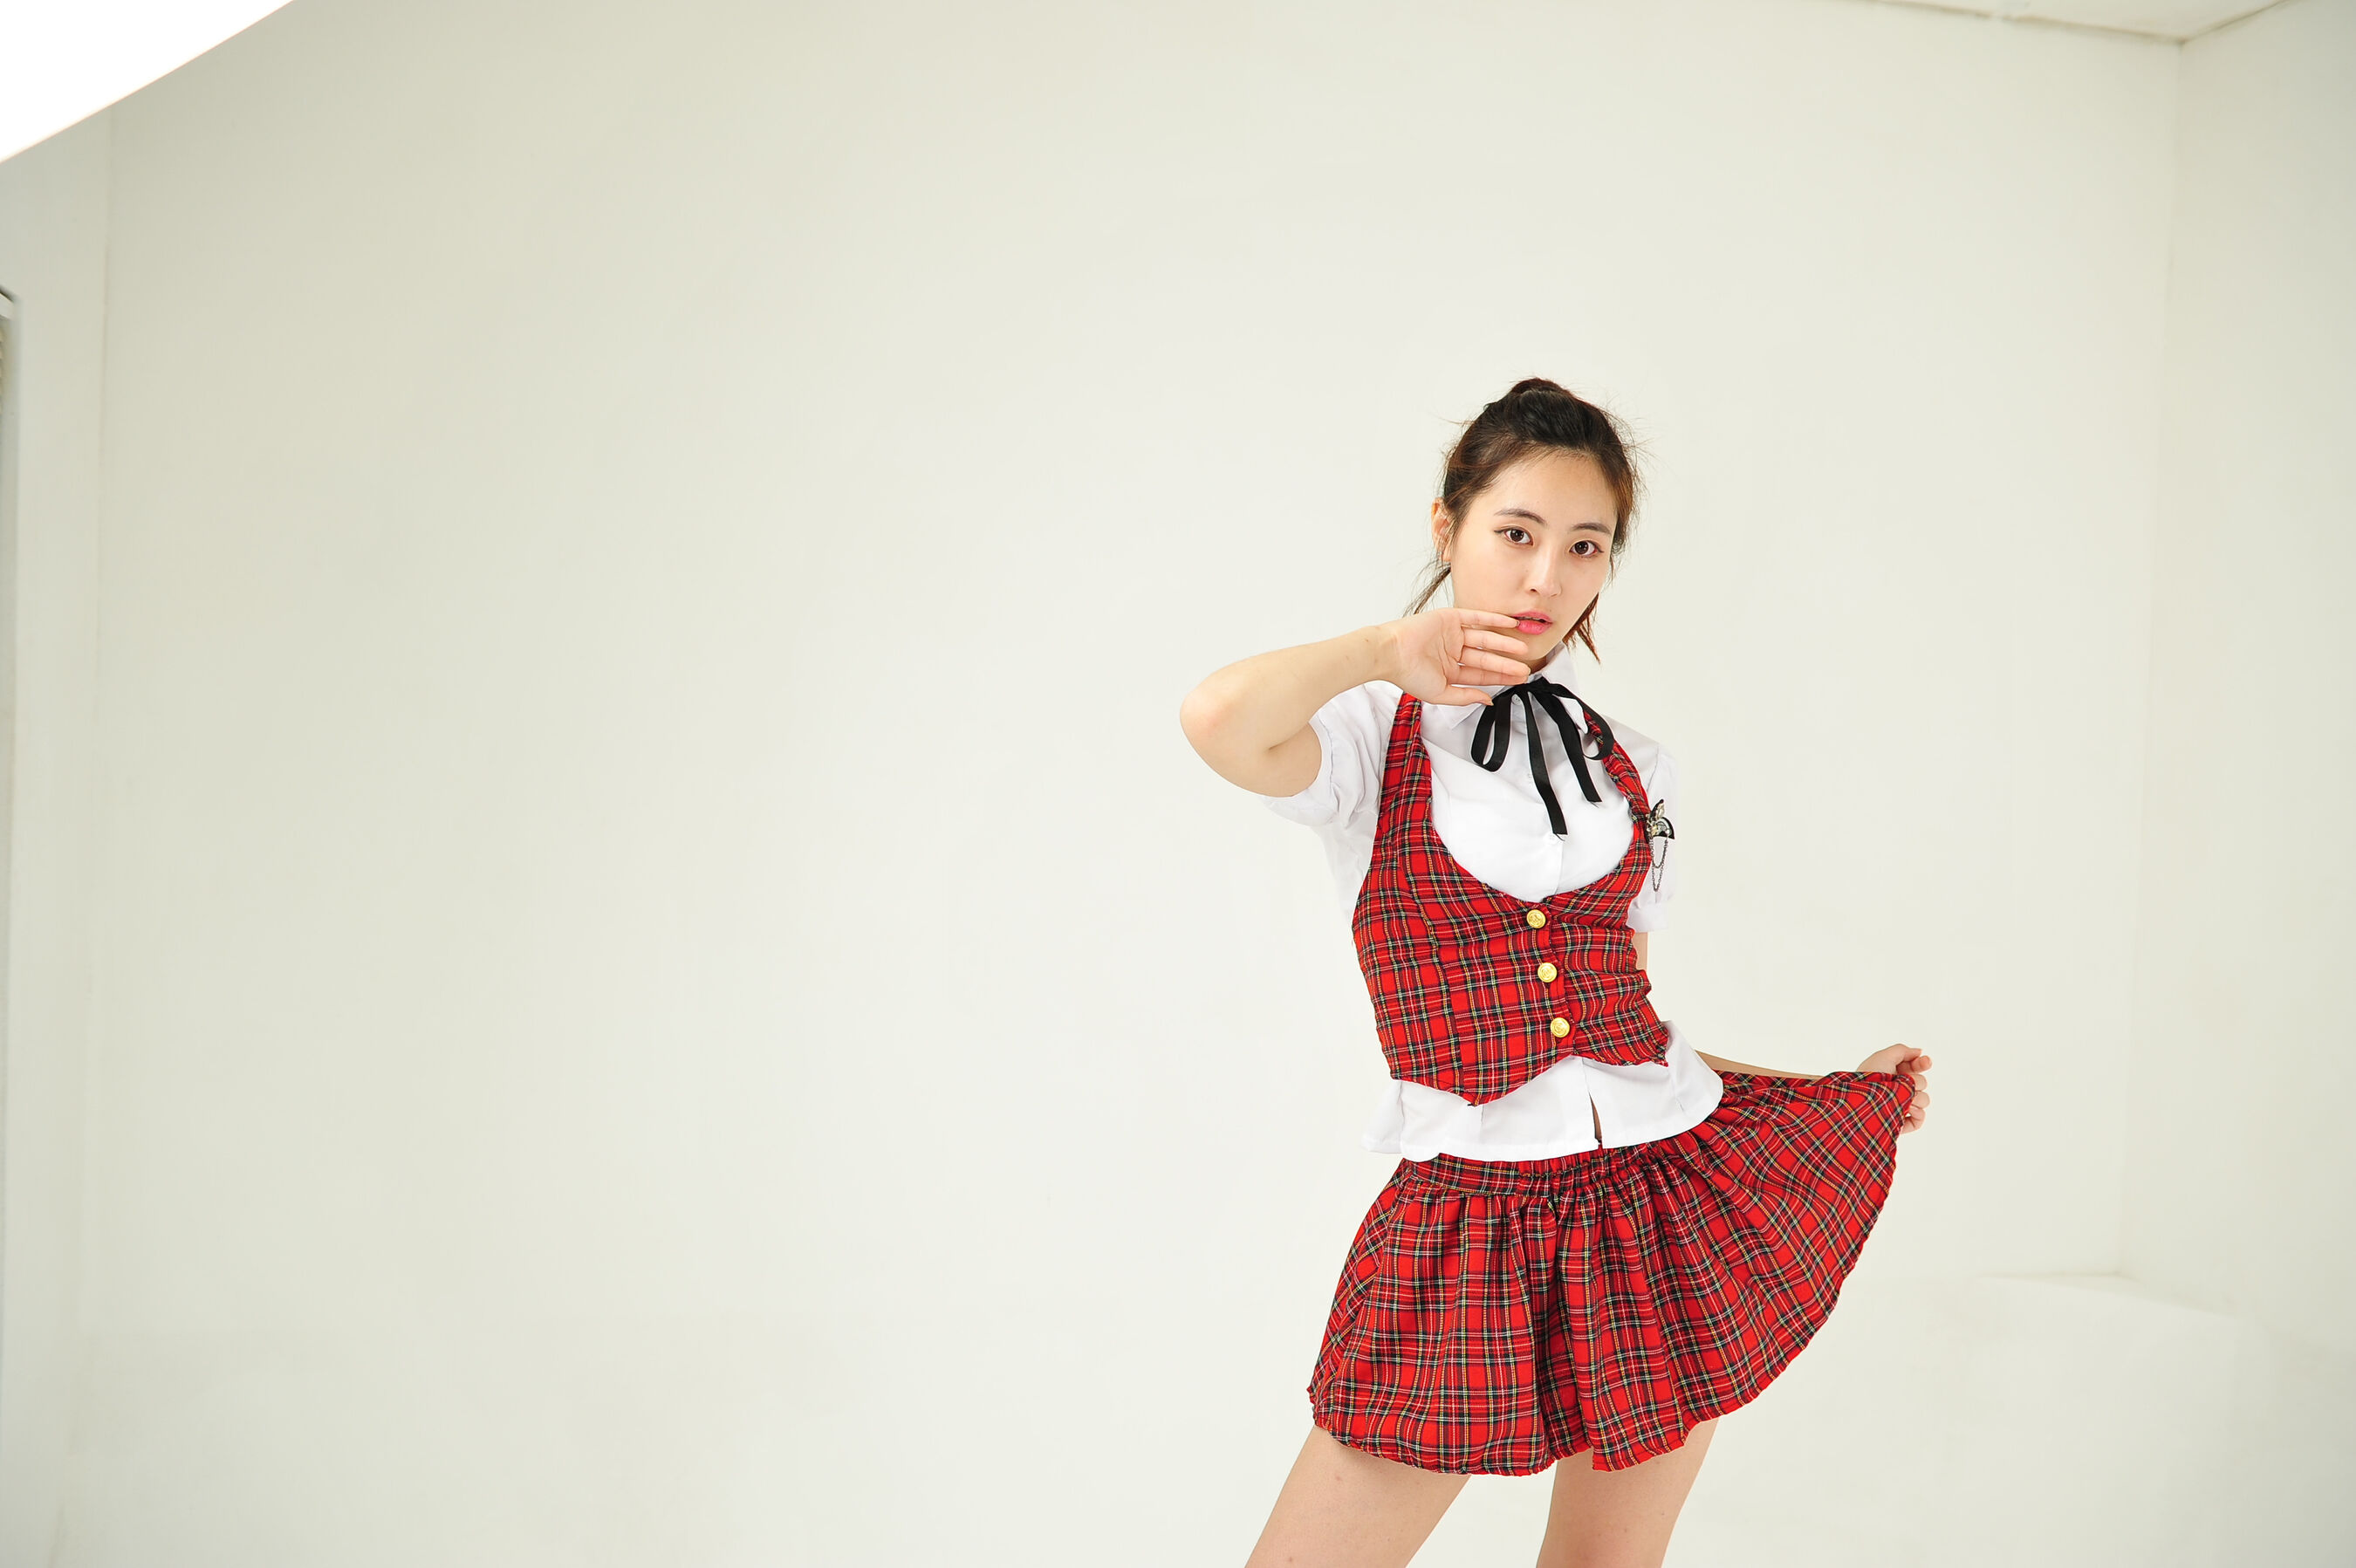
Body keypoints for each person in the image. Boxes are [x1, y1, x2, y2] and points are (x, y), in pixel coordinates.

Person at [1178, 378, 1933, 1568]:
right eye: (1516, 532)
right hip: (1469, 1214)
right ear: (1448, 527)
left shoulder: (1630, 764)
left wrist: (1831, 1090)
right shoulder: (1367, 736)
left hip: (1657, 1208)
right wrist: (1384, 649)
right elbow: (1217, 716)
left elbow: (1620, 1023)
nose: (1546, 578)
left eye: (1585, 545)